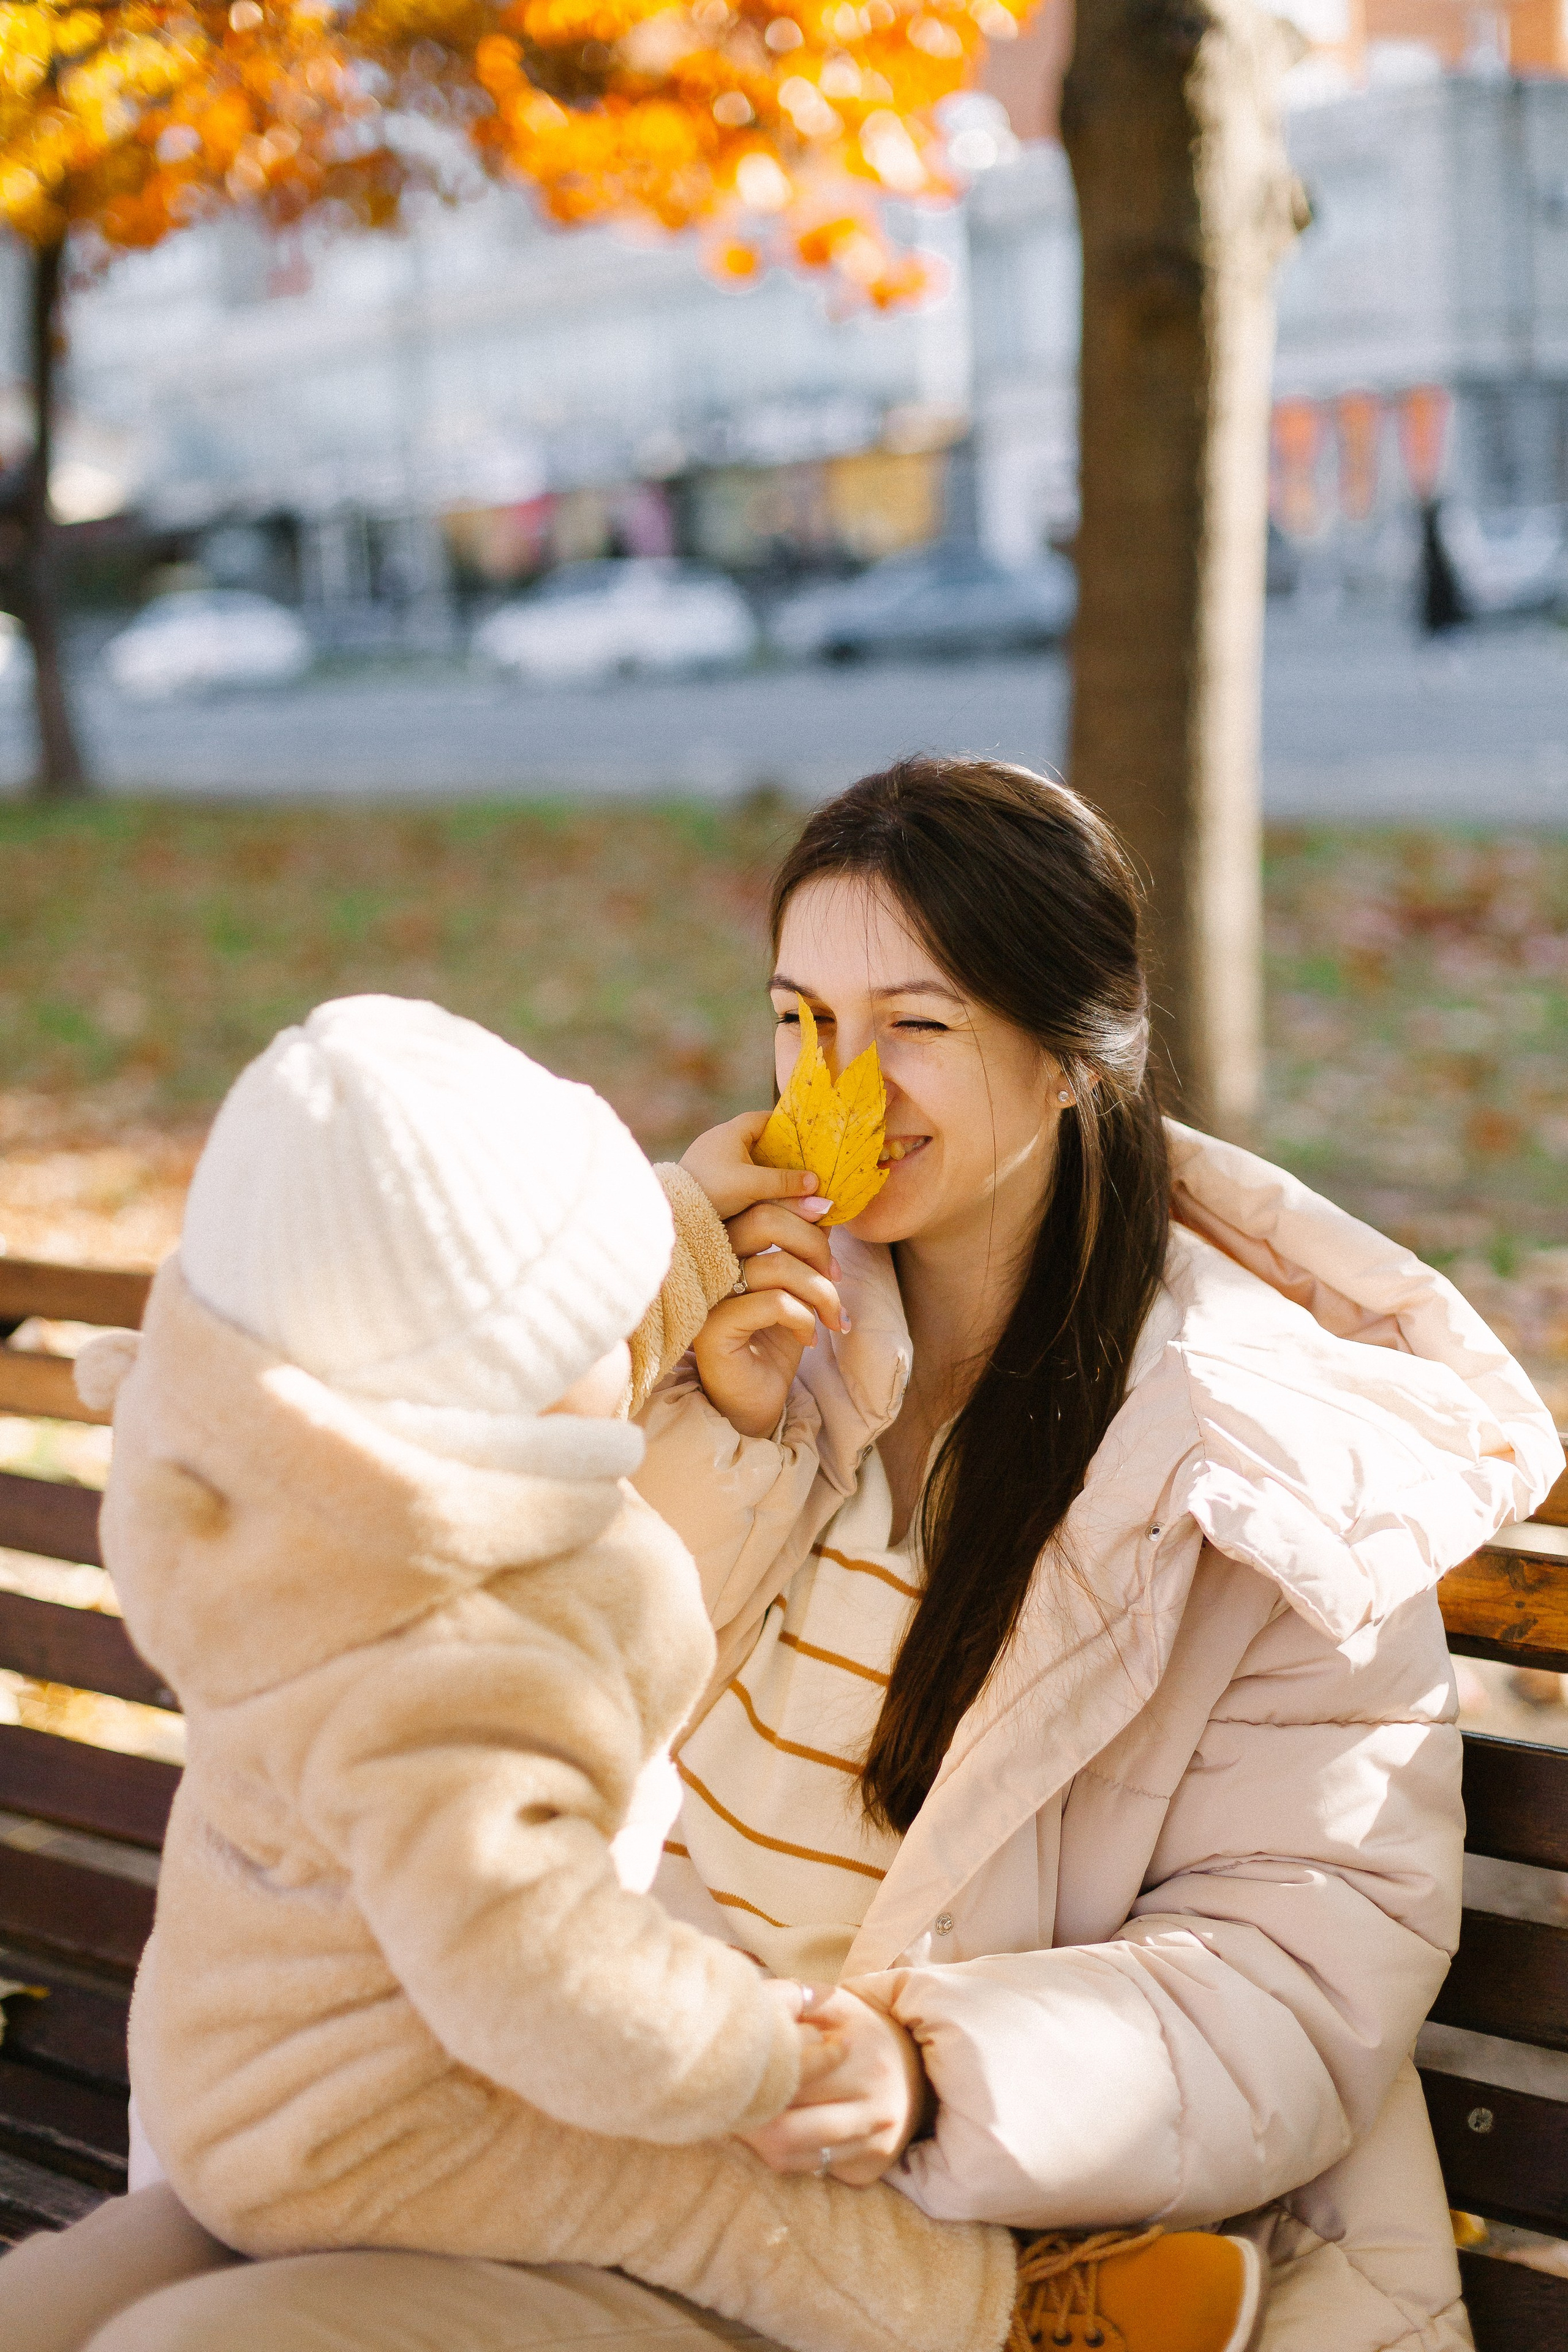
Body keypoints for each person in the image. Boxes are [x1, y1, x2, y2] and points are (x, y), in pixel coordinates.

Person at [4, 760, 1558, 2352]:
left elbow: (1296, 1982)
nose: (842, 1084)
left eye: (916, 1026)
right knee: (64, 2303)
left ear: (1068, 1058)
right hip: (580, 2099)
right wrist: (715, 1441)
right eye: (803, 1020)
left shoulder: (1270, 1474)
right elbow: (494, 1717)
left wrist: (930, 2068)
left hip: (890, 2222)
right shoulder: (741, 1340)